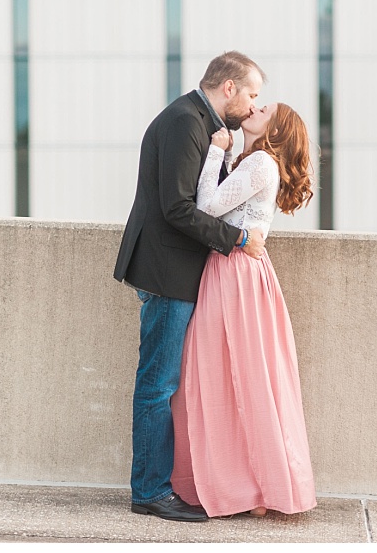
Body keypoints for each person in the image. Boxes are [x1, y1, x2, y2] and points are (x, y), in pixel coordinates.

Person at [114, 51, 268, 522]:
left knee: (165, 383)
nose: (252, 105)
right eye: (251, 94)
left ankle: (158, 487)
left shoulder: (200, 121)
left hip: (176, 270)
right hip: (167, 272)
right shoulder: (186, 121)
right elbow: (177, 208)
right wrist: (239, 239)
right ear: (228, 89)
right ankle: (151, 492)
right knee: (158, 385)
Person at [170, 101, 317, 518]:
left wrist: (216, 150)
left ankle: (252, 488)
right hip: (234, 271)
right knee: (227, 377)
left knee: (225, 376)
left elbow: (206, 207)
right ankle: (248, 485)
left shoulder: (262, 166)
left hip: (234, 274)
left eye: (264, 108)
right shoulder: (253, 163)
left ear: (275, 127)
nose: (255, 107)